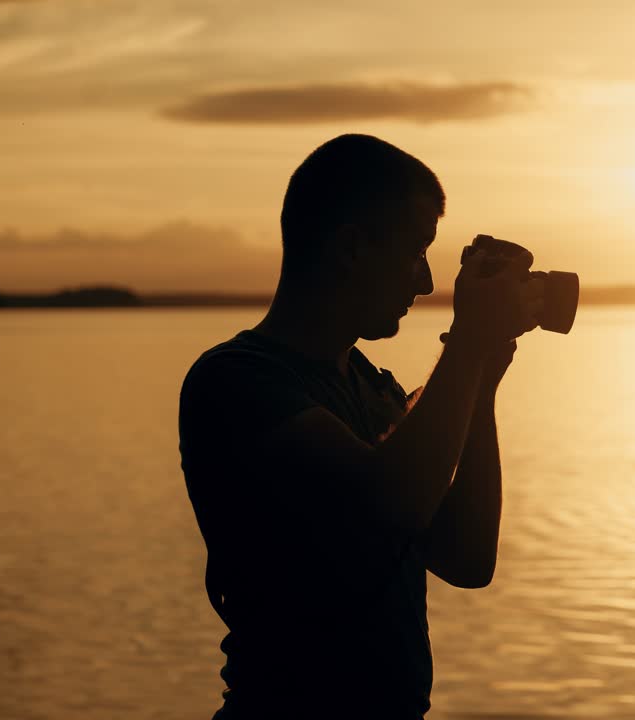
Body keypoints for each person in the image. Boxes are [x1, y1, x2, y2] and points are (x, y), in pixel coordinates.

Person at [178, 134, 536, 718]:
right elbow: (387, 506)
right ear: (350, 248)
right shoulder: (237, 383)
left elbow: (467, 558)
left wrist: (484, 381)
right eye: (416, 252)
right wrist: (467, 345)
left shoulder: (375, 391)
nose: (424, 284)